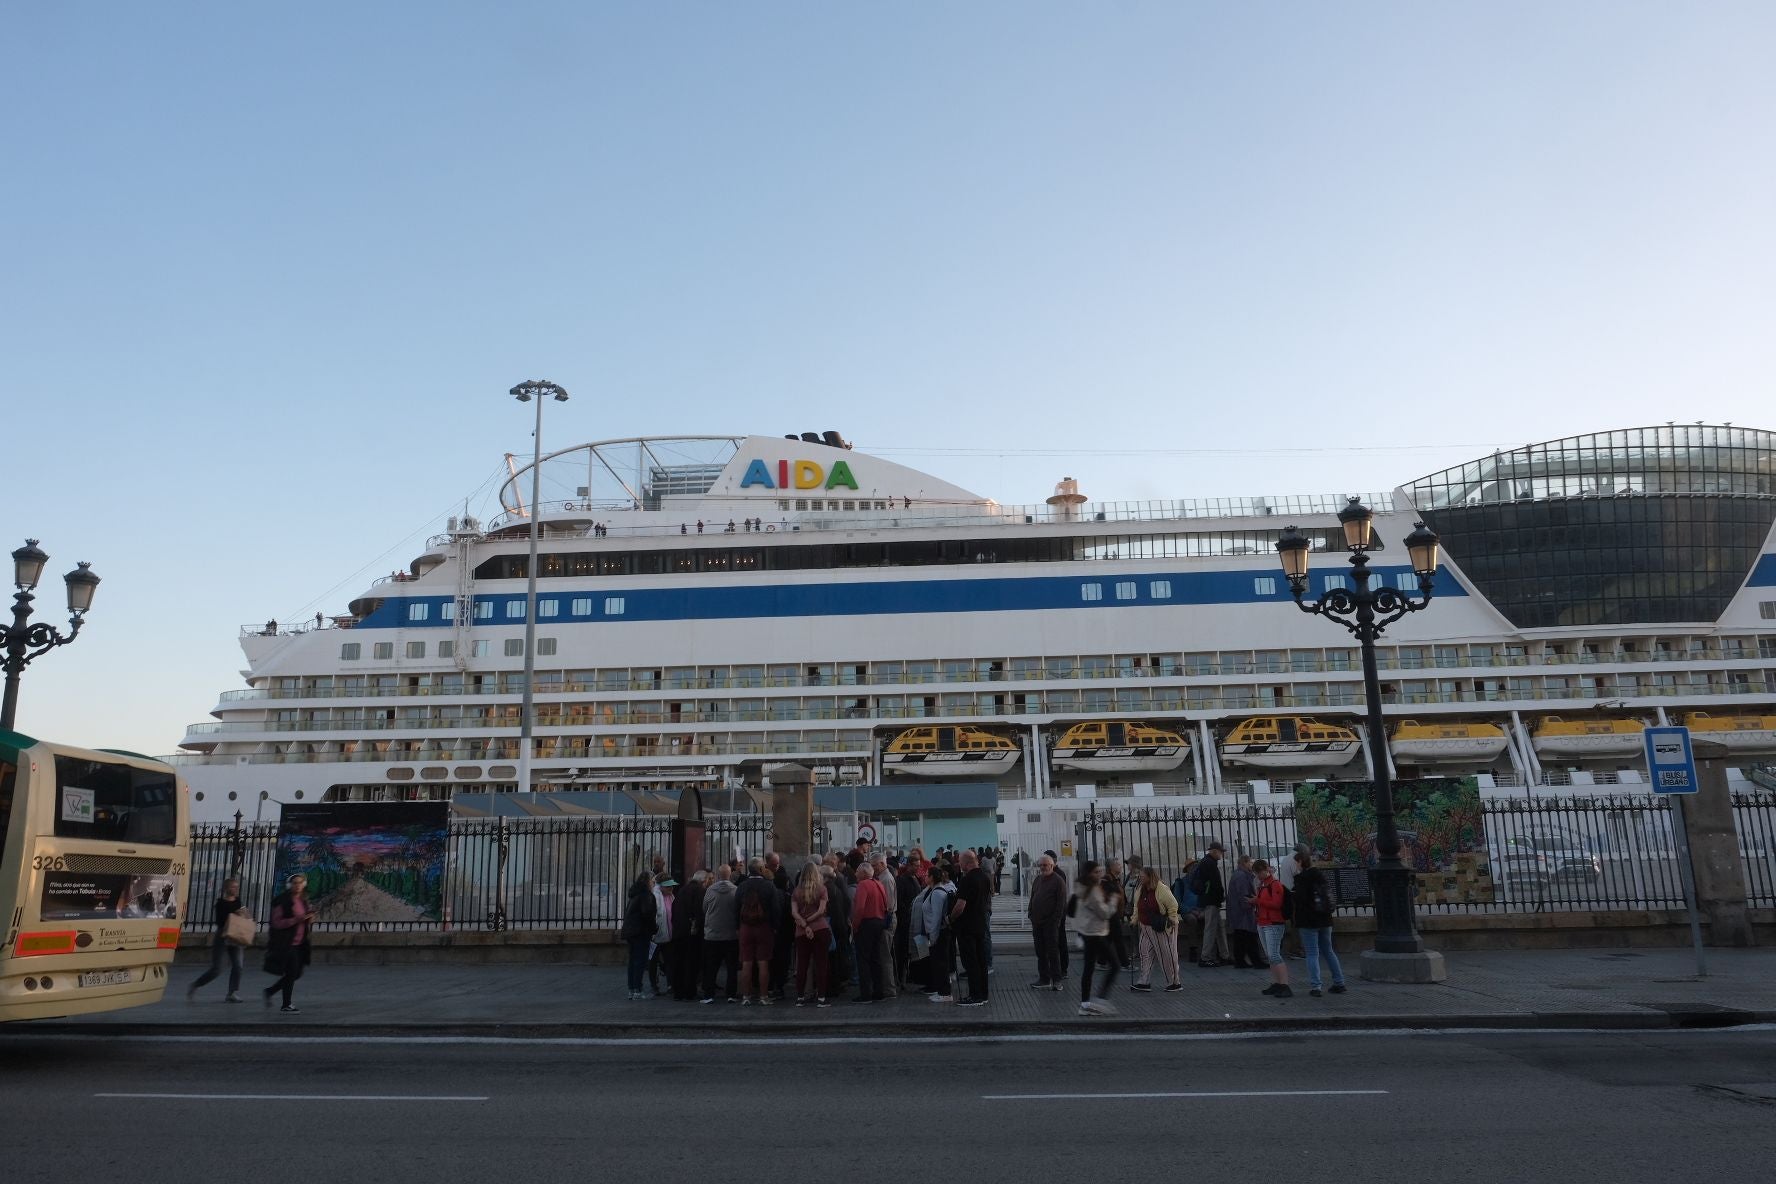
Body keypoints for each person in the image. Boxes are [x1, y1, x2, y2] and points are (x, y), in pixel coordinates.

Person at [1291, 853, 1347, 997]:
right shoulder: (1320, 875)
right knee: (1328, 951)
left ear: (1301, 862)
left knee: (1312, 953)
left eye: (1296, 862)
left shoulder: (1301, 878)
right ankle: (1339, 982)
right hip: (1325, 918)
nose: (1295, 865)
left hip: (1309, 920)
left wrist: (1292, 894)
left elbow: (1301, 899)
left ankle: (1316, 986)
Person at [187, 877, 247, 1002]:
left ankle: (232, 993)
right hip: (222, 936)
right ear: (226, 888)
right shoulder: (220, 903)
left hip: (235, 936)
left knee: (238, 966)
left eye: (237, 887)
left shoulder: (238, 901)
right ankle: (195, 985)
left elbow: (241, 918)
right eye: (233, 887)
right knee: (217, 969)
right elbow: (220, 921)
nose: (236, 889)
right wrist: (234, 916)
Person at [1072, 861, 1119, 1015]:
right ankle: (1099, 999)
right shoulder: (1092, 890)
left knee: (1089, 968)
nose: (1100, 874)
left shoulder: (1081, 888)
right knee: (1115, 965)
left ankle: (1085, 1005)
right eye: (1096, 872)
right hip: (1096, 933)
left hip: (1088, 932)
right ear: (1089, 873)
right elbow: (1104, 913)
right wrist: (1113, 900)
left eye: (1100, 871)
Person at [261, 873, 314, 1013]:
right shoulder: (282, 900)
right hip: (286, 942)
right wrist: (296, 920)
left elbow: (303, 918)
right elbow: (277, 922)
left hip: (300, 943)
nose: (298, 886)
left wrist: (308, 918)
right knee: (292, 972)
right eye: (295, 883)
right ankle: (285, 1004)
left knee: (296, 973)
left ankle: (270, 992)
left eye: (300, 883)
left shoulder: (302, 901)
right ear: (290, 885)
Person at [948, 849, 993, 1006]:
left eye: (960, 863)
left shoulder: (967, 880)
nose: (959, 866)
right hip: (980, 924)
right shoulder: (985, 878)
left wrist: (950, 918)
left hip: (967, 927)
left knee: (971, 962)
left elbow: (960, 905)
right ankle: (983, 994)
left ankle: (975, 996)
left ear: (966, 863)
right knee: (981, 961)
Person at [1130, 866, 1183, 992]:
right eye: (1140, 876)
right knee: (1145, 952)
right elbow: (1137, 906)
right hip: (1145, 927)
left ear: (1150, 877)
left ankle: (1175, 982)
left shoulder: (1161, 888)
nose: (1140, 878)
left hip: (1162, 927)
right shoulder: (1140, 889)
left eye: (1142, 876)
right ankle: (1144, 981)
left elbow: (1173, 905)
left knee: (1167, 954)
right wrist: (1134, 920)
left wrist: (1171, 921)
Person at [734, 858, 779, 1005]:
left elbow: (735, 909)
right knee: (763, 963)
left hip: (745, 927)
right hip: (764, 927)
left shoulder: (742, 886)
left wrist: (737, 927)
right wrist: (775, 926)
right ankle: (763, 996)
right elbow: (775, 909)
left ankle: (746, 996)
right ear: (761, 870)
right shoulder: (769, 886)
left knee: (746, 963)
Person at [790, 861, 832, 1006]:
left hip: (801, 932)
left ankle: (800, 998)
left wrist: (804, 924)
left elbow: (794, 913)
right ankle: (821, 998)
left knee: (802, 965)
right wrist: (810, 921)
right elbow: (821, 911)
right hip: (820, 929)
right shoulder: (822, 889)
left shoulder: (796, 891)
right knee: (821, 964)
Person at [1251, 860, 1292, 998]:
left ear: (1264, 870)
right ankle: (1277, 983)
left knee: (1274, 955)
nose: (1258, 876)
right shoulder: (1262, 885)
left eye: (1259, 872)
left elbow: (1276, 904)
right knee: (1270, 955)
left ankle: (1284, 984)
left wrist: (1258, 901)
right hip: (1263, 922)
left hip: (1273, 922)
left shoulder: (1274, 884)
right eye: (1256, 873)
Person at [851, 856, 890, 1003]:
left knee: (863, 960)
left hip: (866, 923)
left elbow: (859, 908)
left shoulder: (863, 885)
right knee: (876, 958)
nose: (855, 874)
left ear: (863, 873)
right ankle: (879, 991)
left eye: (857, 872)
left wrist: (855, 926)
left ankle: (865, 994)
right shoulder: (878, 883)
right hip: (879, 922)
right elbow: (885, 903)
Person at [1026, 853, 1067, 990]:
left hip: (1050, 924)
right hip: (1037, 923)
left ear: (1052, 865)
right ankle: (1044, 979)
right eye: (1041, 865)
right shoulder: (1038, 879)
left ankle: (1057, 980)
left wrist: (1055, 921)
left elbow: (1061, 904)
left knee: (1053, 952)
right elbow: (1033, 897)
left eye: (1046, 865)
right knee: (1040, 952)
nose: (1043, 867)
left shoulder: (1058, 881)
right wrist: (1030, 913)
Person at [916, 863, 957, 1001]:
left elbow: (936, 917)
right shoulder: (934, 891)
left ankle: (945, 993)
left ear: (932, 878)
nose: (925, 877)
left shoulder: (938, 893)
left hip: (939, 934)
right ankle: (941, 990)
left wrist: (933, 937)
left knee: (941, 963)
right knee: (937, 963)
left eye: (927, 875)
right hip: (936, 933)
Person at [700, 864, 740, 1003]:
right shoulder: (736, 890)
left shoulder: (710, 890)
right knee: (731, 967)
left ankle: (709, 994)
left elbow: (704, 908)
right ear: (730, 875)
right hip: (731, 935)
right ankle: (731, 994)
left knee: (711, 966)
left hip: (712, 935)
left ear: (718, 875)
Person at [1189, 842, 1230, 967]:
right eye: (1220, 851)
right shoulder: (1209, 863)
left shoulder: (1207, 862)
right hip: (1211, 900)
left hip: (1210, 900)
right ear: (1214, 851)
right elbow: (1215, 883)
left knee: (1219, 928)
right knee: (1211, 929)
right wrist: (1221, 895)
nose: (1221, 854)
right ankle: (1205, 957)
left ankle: (1224, 956)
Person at [620, 871, 658, 1000]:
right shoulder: (646, 895)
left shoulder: (634, 894)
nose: (654, 883)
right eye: (653, 880)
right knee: (640, 961)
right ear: (648, 881)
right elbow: (648, 914)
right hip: (641, 931)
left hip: (630, 931)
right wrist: (654, 928)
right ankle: (638, 990)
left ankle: (632, 989)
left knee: (632, 961)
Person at [1226, 855, 1267, 970]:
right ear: (1244, 863)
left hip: (1237, 911)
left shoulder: (1238, 875)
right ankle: (1256, 961)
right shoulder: (1242, 877)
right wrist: (1252, 903)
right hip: (1243, 912)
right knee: (1250, 937)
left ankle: (1240, 961)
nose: (1251, 865)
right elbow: (1243, 895)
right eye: (1250, 862)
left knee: (1240, 938)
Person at [672, 870, 706, 1000]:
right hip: (692, 933)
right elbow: (699, 912)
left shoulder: (682, 890)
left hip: (678, 932)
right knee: (691, 963)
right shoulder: (699, 891)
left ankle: (678, 991)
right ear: (703, 881)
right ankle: (689, 991)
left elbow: (674, 910)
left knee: (679, 962)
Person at [648, 877, 676, 996]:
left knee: (670, 960)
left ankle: (671, 984)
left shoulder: (671, 897)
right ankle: (654, 985)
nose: (671, 888)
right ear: (661, 886)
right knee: (653, 961)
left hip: (669, 935)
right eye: (668, 886)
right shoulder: (654, 897)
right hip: (656, 936)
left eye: (672, 886)